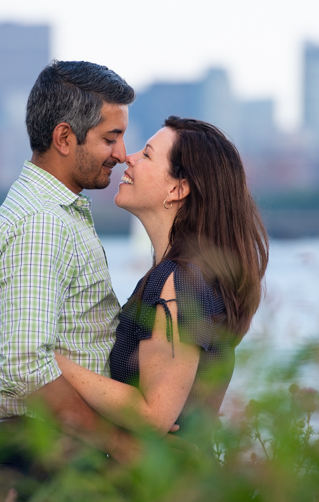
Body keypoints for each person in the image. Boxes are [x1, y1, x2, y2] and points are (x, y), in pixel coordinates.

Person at [0, 60, 141, 502]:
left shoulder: (52, 213)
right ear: (64, 138)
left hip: (55, 450)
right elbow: (26, 364)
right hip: (46, 456)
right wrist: (120, 445)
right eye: (110, 138)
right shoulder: (42, 225)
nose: (121, 154)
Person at [53, 116, 269, 467]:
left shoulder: (179, 281)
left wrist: (51, 361)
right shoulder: (179, 276)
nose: (129, 158)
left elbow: (155, 414)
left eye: (148, 155)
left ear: (177, 189)